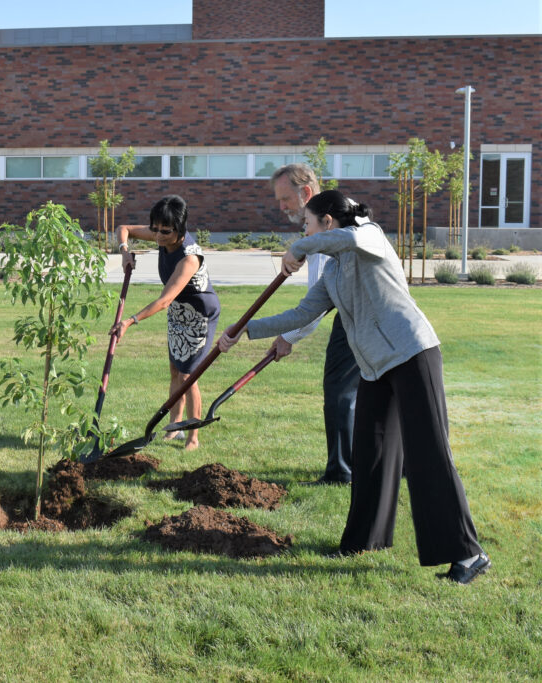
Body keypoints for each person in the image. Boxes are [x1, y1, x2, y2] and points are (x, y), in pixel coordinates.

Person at [217, 190, 490, 583]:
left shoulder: (369, 236)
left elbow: (350, 239)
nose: (304, 230)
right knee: (370, 453)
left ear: (327, 222)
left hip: (413, 353)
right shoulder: (334, 272)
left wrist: (300, 247)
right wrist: (245, 329)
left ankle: (469, 554)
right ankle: (363, 541)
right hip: (376, 368)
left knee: (427, 454)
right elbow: (302, 313)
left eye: (307, 223)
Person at [270, 164, 361, 484]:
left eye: (285, 199)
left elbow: (316, 301)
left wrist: (288, 337)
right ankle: (394, 464)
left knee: (339, 391)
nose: (281, 207)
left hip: (357, 317)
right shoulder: (343, 211)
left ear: (306, 193)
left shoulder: (327, 226)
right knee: (374, 394)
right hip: (366, 314)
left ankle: (341, 471)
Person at [110, 195, 221, 450]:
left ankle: (193, 436)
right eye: (155, 228)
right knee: (175, 369)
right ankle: (174, 428)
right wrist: (124, 253)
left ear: (179, 229)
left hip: (198, 314)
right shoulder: (162, 233)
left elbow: (164, 301)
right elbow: (123, 229)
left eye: (165, 231)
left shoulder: (189, 258)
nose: (158, 236)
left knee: (188, 375)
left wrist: (131, 320)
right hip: (179, 311)